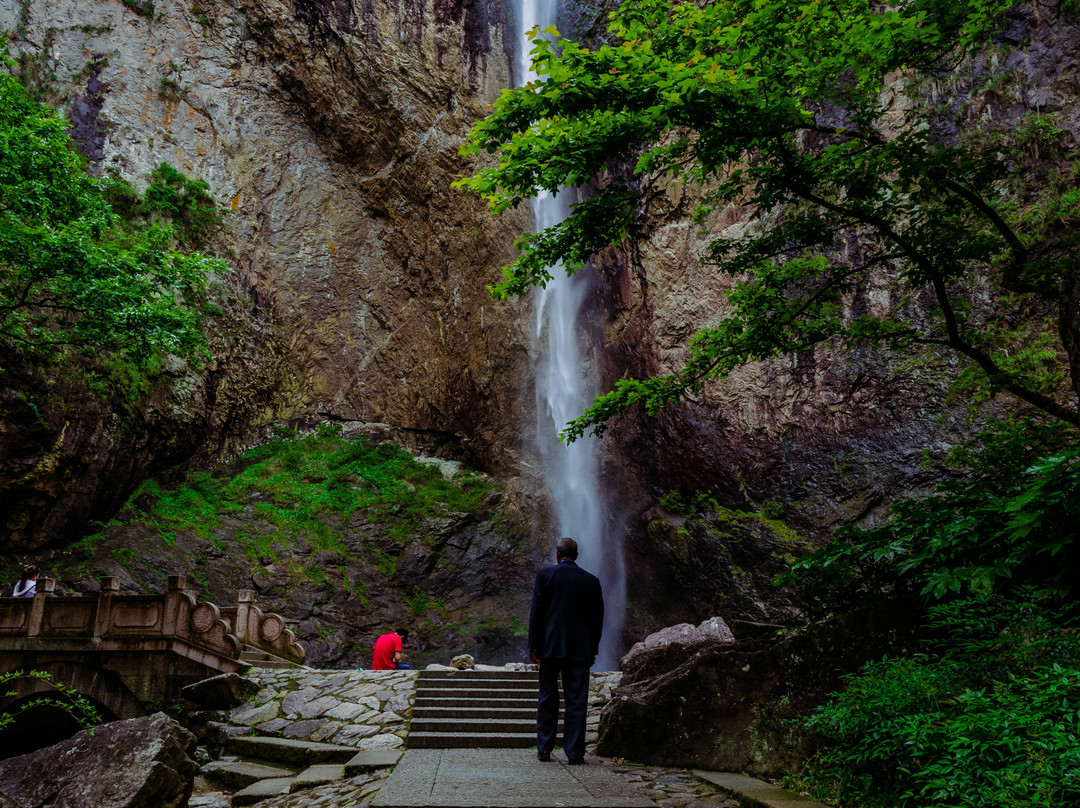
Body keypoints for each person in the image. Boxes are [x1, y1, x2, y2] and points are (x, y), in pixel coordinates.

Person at [528, 537, 604, 765]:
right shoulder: (591, 581)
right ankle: (574, 753)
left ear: (558, 555)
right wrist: (593, 648)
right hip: (580, 651)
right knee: (576, 701)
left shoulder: (545, 575)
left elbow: (537, 612)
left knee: (547, 697)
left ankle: (544, 748)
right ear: (576, 556)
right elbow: (597, 619)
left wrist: (534, 645)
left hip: (550, 647)